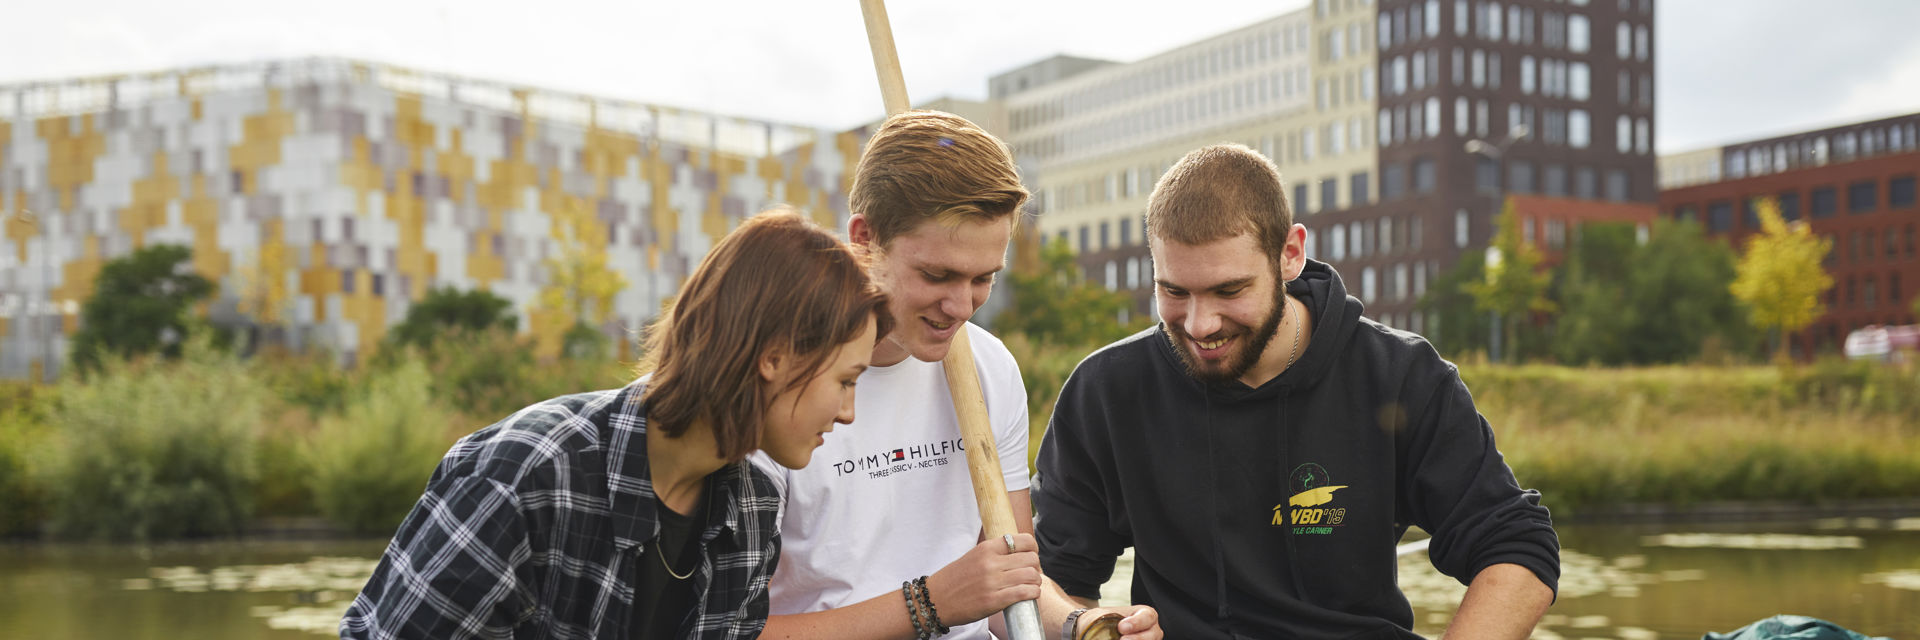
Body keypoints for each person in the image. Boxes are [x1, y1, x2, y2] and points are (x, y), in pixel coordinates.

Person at [1032, 144, 1560, 639]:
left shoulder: (1400, 375)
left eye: (1229, 290)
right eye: (1173, 291)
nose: (1198, 324)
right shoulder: (1107, 391)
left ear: (1290, 253)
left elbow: (1516, 545)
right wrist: (1087, 625)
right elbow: (1046, 580)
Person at [341, 211, 892, 639]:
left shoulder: (755, 507)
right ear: (776, 358)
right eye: (846, 381)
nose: (848, 412)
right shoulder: (525, 477)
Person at [751, 110, 1160, 640]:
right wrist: (931, 603)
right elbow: (732, 630)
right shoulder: (773, 385)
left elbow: (1006, 591)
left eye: (983, 278)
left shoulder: (991, 367)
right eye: (937, 275)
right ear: (864, 239)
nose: (962, 307)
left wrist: (1083, 627)